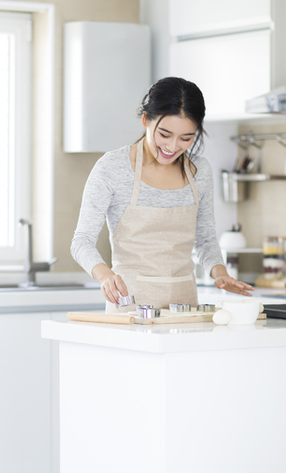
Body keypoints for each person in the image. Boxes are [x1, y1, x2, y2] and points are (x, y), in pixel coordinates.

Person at [71, 77, 254, 311]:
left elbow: (206, 240)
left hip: (184, 310)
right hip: (130, 308)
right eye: (165, 134)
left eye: (186, 138)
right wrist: (105, 275)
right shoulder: (112, 168)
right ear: (146, 119)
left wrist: (219, 272)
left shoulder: (200, 172)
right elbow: (81, 242)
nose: (172, 147)